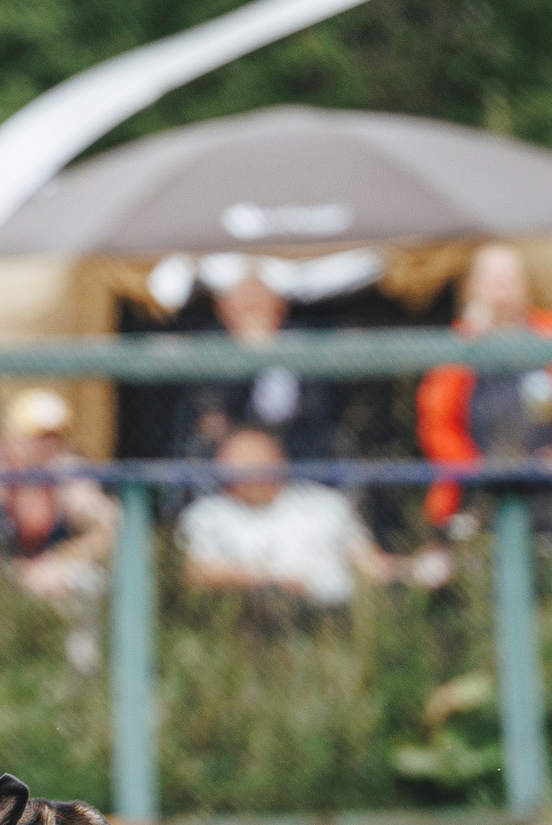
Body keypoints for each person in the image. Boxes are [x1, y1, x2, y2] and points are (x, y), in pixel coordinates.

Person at [416, 244, 552, 527]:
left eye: (509, 277)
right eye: (492, 278)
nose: (502, 286)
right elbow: (436, 423)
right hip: (476, 498)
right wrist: (472, 470)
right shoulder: (458, 348)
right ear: (473, 288)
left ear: (525, 285)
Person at [180, 427, 448, 604]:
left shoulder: (326, 505)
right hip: (255, 619)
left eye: (256, 462)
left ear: (279, 461)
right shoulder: (208, 516)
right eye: (236, 466)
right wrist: (272, 582)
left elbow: (371, 566)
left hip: (333, 618)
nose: (245, 474)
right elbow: (198, 572)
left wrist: (417, 569)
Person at [170, 255, 331, 461]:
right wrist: (248, 355)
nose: (253, 314)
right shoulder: (211, 345)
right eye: (245, 306)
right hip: (233, 455)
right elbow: (211, 415)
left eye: (259, 304)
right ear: (224, 311)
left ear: (280, 308)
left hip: (298, 454)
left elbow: (316, 412)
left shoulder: (302, 342)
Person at [0, 388, 119, 603]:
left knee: (85, 581)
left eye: (55, 436)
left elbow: (112, 528)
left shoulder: (68, 473)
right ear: (13, 437)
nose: (49, 445)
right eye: (39, 437)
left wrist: (59, 559)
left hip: (49, 574)